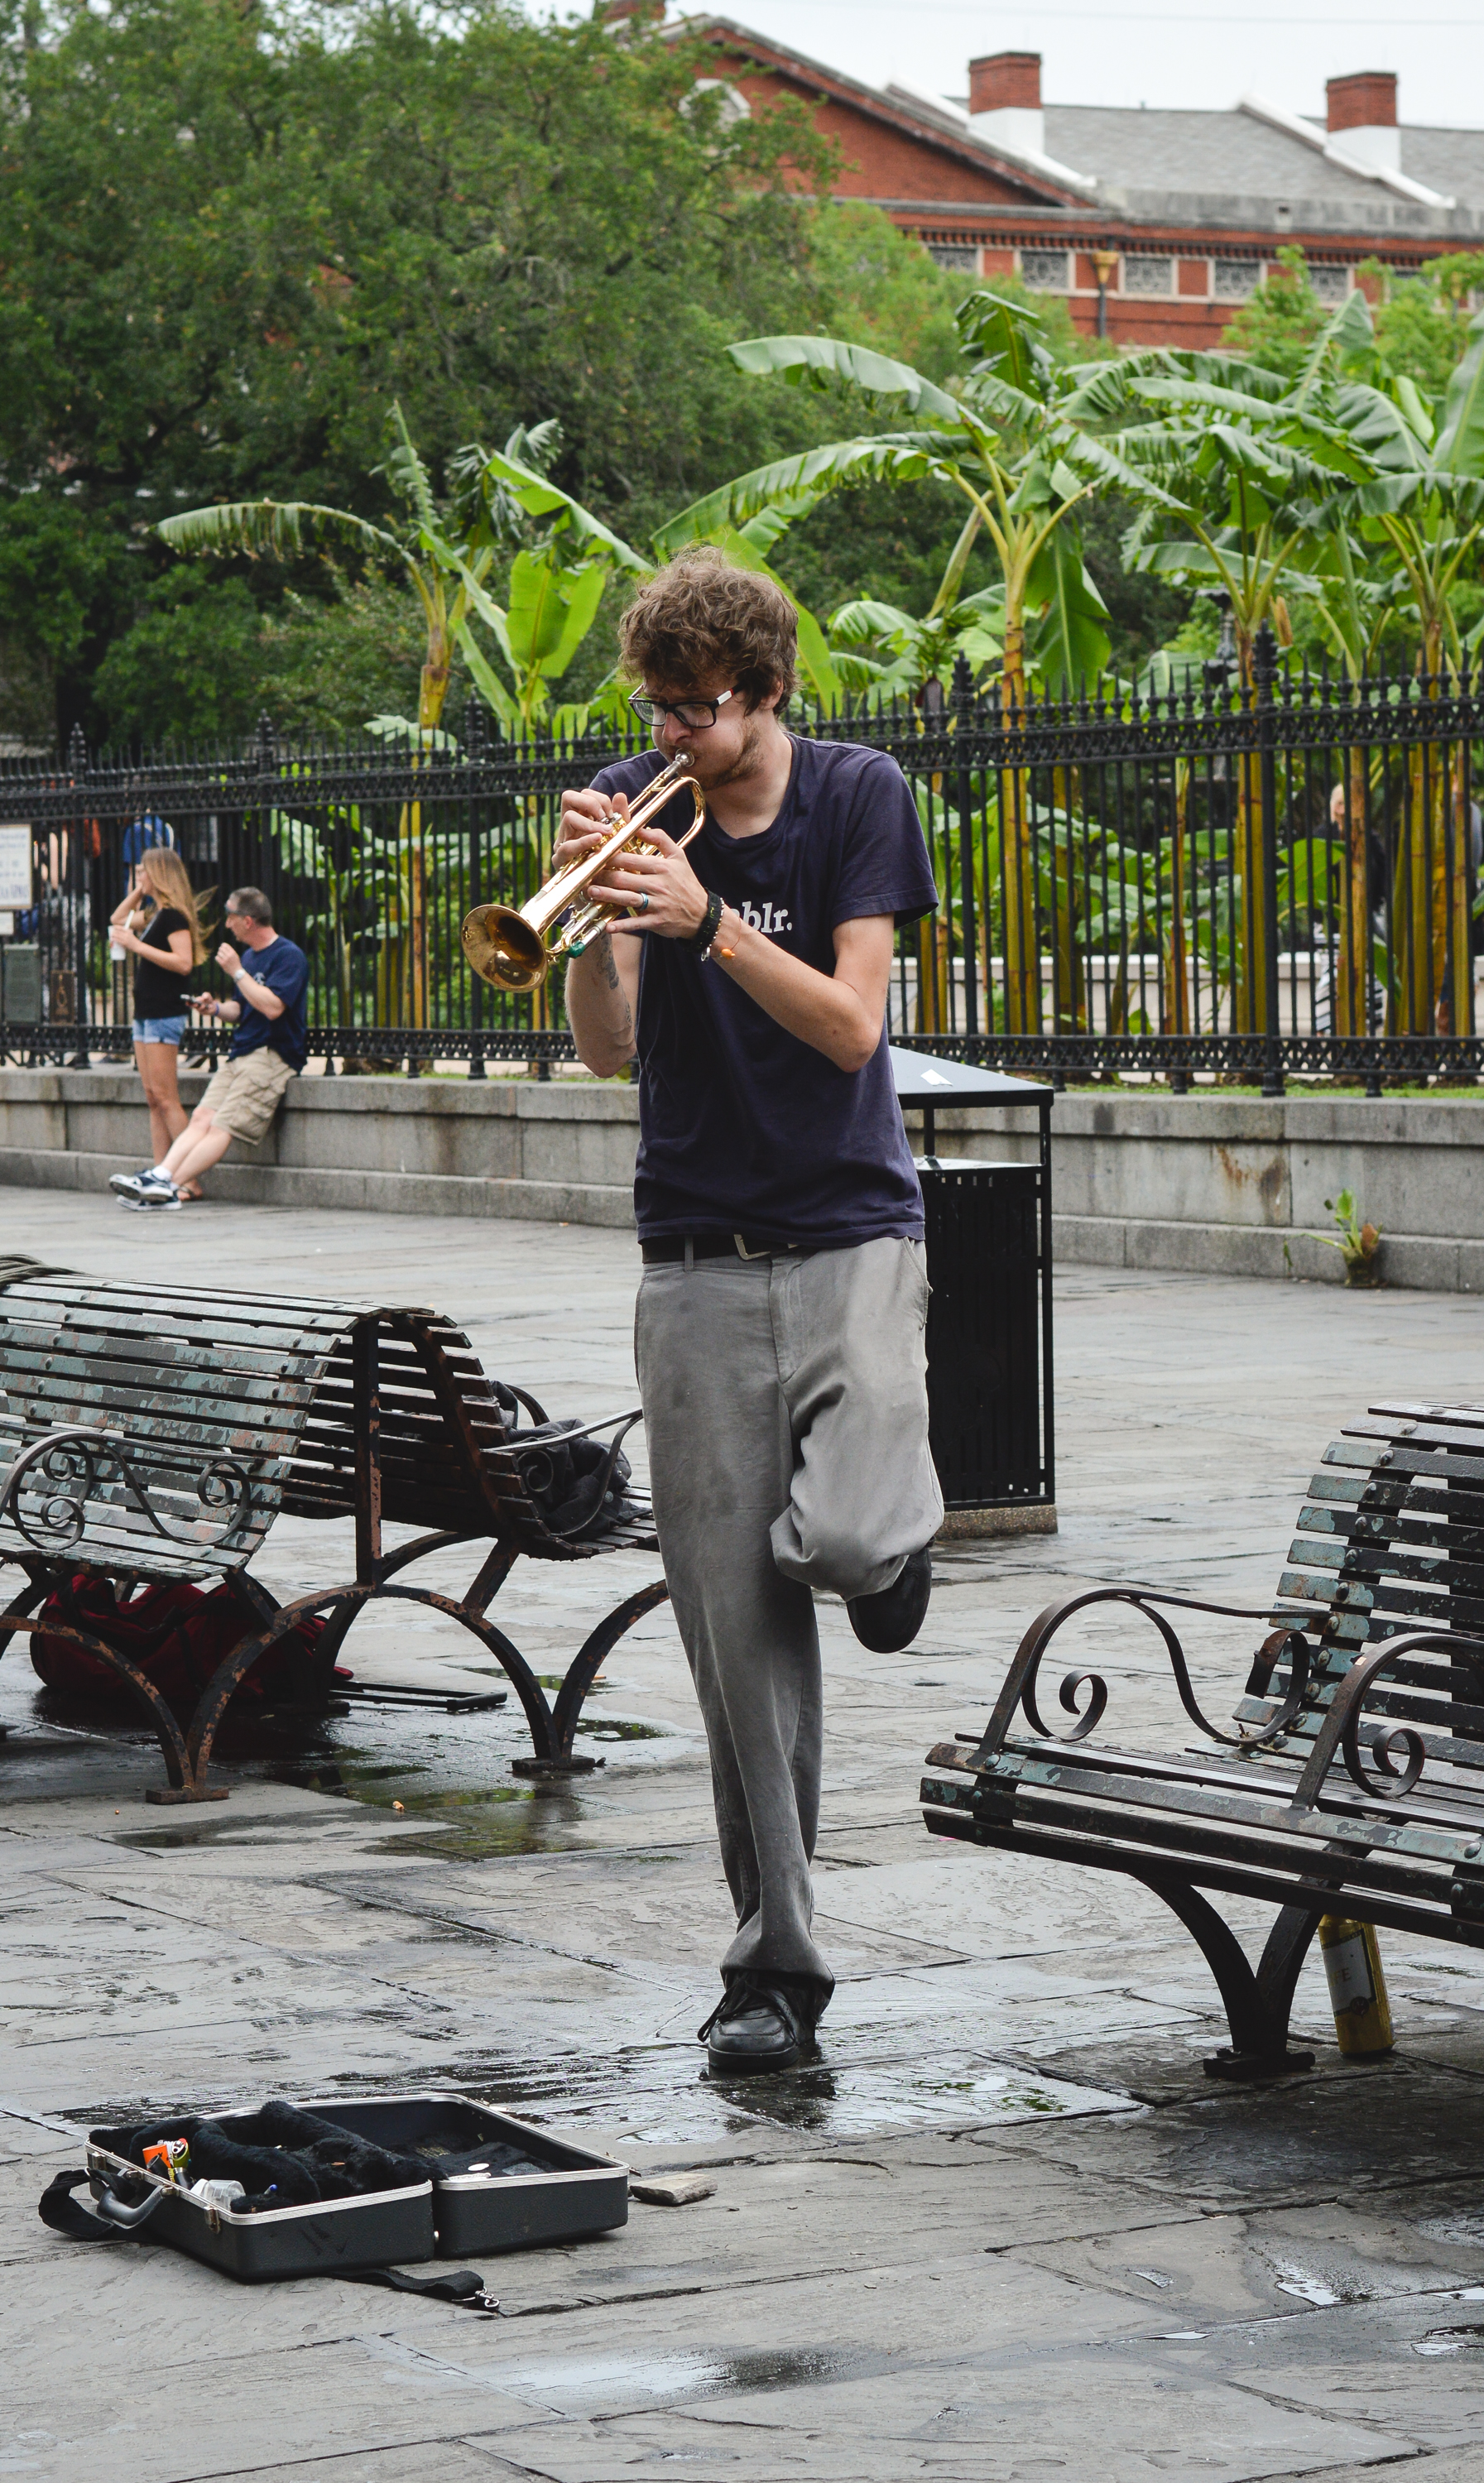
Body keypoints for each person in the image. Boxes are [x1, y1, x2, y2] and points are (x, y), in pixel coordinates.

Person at [558, 546, 944, 2078]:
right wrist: (594, 920)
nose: (669, 737)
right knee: (734, 1639)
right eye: (654, 711)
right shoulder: (634, 799)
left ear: (765, 692)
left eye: (696, 711)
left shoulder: (856, 797)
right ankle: (773, 1969)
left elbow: (852, 1028)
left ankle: (887, 1549)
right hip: (693, 1256)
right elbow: (605, 1050)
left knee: (839, 1542)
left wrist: (708, 919)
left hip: (848, 1230)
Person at [108, 887, 307, 1211]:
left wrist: (237, 972)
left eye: (230, 917)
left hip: (272, 1056)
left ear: (247, 921)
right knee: (201, 1116)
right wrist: (214, 1009)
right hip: (242, 1052)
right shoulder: (250, 957)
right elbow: (242, 1010)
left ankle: (169, 1188)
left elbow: (273, 1008)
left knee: (221, 1126)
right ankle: (160, 1176)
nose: (226, 924)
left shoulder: (288, 956)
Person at [108, 849, 209, 1186]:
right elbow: (117, 918)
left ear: (159, 874)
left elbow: (184, 963)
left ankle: (188, 1179)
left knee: (166, 1098)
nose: (138, 876)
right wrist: (139, 891)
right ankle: (159, 1172)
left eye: (143, 872)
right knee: (153, 1097)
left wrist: (136, 946)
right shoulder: (154, 914)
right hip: (146, 1012)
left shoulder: (174, 917)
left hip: (165, 1012)